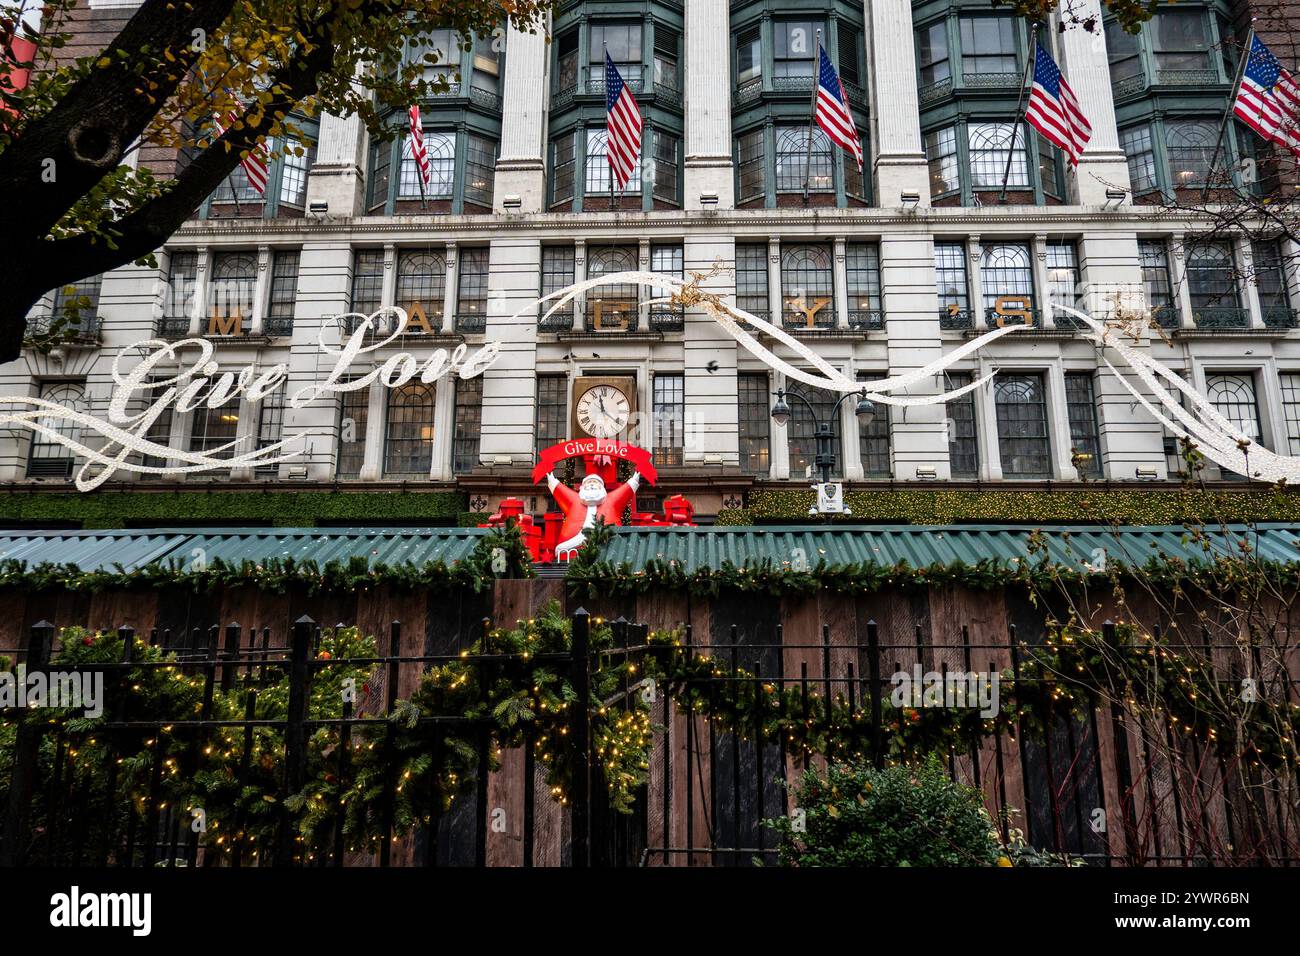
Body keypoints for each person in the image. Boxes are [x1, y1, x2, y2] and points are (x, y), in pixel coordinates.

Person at [544, 468, 641, 558]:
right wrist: (552, 480)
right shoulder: (574, 500)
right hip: (573, 545)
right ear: (582, 487)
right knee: (561, 549)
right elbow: (561, 491)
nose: (591, 484)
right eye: (589, 482)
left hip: (607, 542)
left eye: (595, 482)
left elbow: (625, 490)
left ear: (601, 487)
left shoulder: (611, 500)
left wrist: (634, 480)